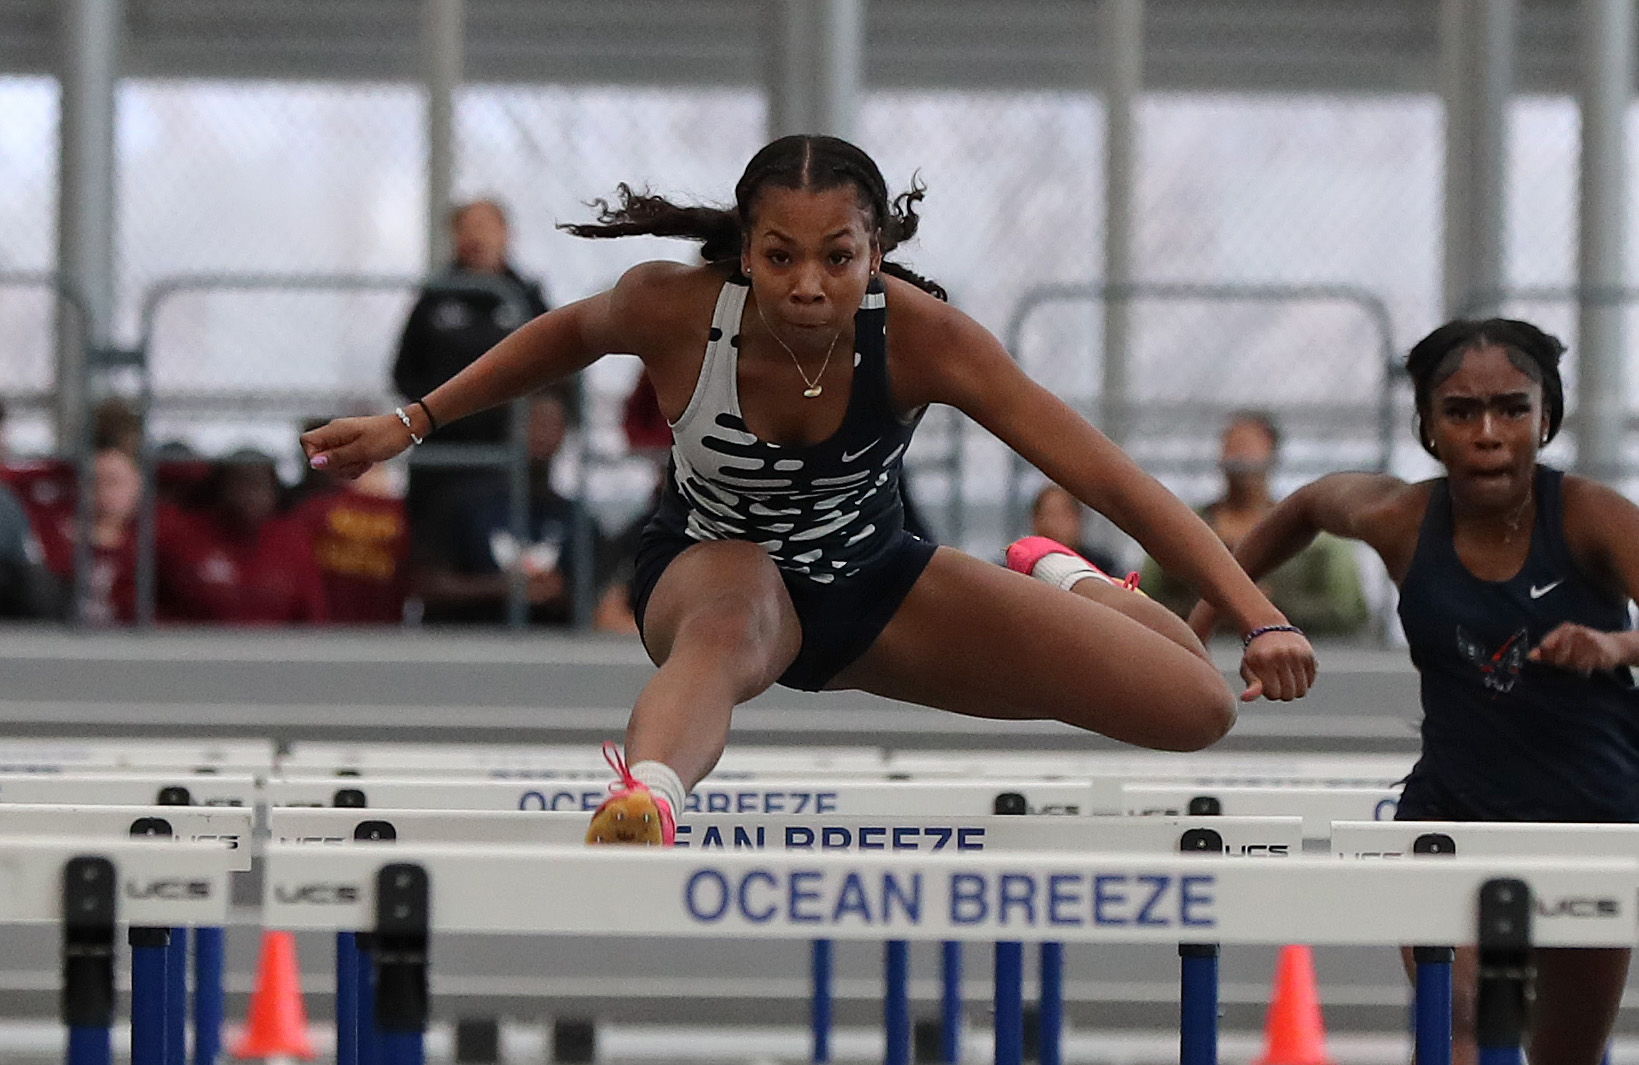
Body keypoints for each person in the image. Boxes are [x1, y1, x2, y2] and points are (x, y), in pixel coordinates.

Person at [302, 134, 1315, 845]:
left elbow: (1106, 475)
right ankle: (647, 799)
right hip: (709, 570)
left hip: (875, 583)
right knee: (738, 607)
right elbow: (560, 334)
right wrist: (408, 423)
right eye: (779, 257)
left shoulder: (925, 338)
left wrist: (1259, 615)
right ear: (744, 249)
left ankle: (1054, 573)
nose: (807, 287)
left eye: (838, 259)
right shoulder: (674, 308)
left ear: (876, 256)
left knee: (1192, 702)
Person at [1189, 319, 1639, 1065]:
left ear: (1546, 419)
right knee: (1460, 1020)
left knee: (1567, 1055)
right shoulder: (1398, 517)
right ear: (1427, 428)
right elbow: (1301, 507)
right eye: (1460, 412)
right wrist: (1222, 621)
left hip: (1590, 813)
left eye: (1511, 409)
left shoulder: (1591, 514)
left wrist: (1614, 645)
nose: (1487, 434)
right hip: (1449, 809)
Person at [391, 198, 552, 581]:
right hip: (443, 452)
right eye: (467, 227)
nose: (476, 236)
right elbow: (402, 372)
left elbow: (559, 368)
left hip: (508, 454)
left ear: (506, 233)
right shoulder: (434, 298)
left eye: (486, 226)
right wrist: (439, 408)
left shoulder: (526, 298)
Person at [1142, 410, 1369, 637]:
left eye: (1248, 444)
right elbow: (1146, 599)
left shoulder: (1314, 538)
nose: (1238, 453)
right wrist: (1216, 606)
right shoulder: (1182, 526)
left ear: (1272, 453)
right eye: (1231, 443)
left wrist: (1272, 607)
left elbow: (1348, 609)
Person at [416, 387, 590, 625]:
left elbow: (598, 596)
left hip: (548, 651)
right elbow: (426, 584)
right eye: (535, 422)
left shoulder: (574, 517)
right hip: (467, 647)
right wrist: (503, 587)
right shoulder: (464, 503)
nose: (543, 434)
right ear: (512, 427)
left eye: (553, 426)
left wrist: (555, 592)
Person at [156, 450, 328, 624]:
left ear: (273, 488)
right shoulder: (181, 536)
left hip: (277, 648)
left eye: (260, 484)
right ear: (221, 486)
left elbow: (312, 618)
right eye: (241, 482)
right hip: (198, 647)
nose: (250, 494)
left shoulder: (293, 540)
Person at [35, 448, 140, 625]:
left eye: (114, 482)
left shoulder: (153, 543)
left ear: (138, 485)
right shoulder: (50, 536)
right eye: (94, 482)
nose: (103, 491)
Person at [1028, 483, 1121, 577]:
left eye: (1062, 515)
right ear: (1035, 521)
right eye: (1047, 514)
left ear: (1078, 518)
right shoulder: (1024, 568)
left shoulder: (1101, 567)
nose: (1054, 523)